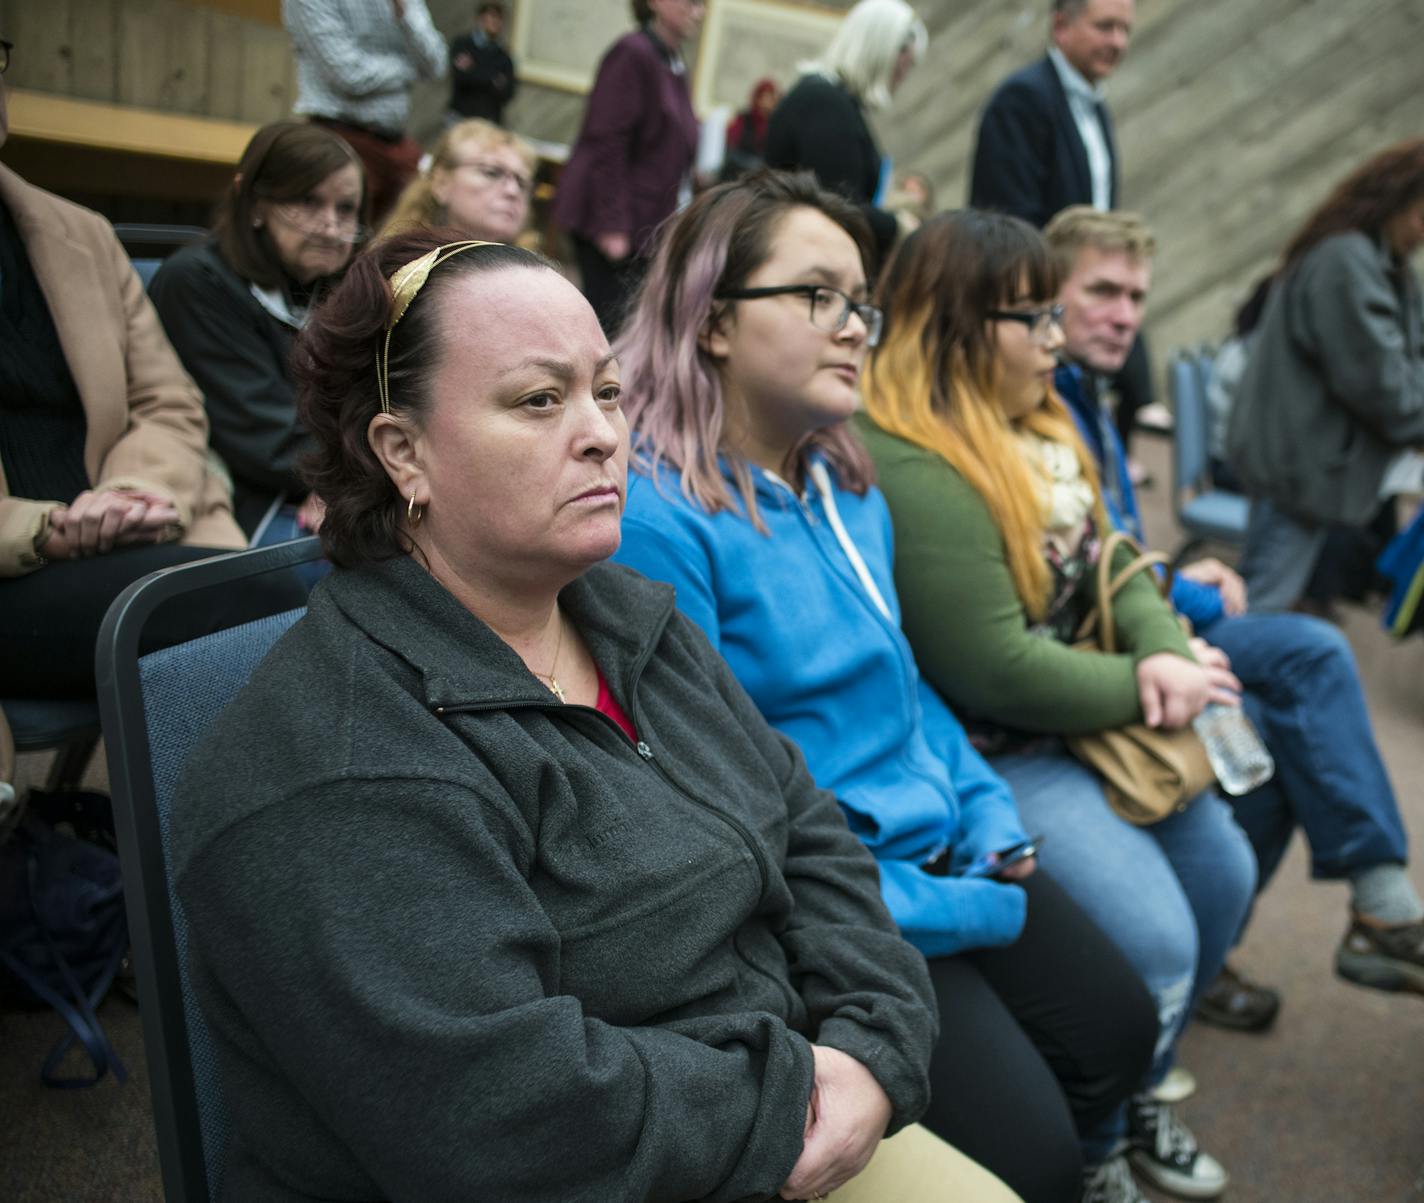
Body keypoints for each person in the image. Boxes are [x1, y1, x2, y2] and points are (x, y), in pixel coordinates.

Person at [170, 227, 1024, 1203]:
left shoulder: (621, 615)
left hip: (757, 1110)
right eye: (539, 399)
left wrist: (872, 1042)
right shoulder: (341, 763)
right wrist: (796, 1091)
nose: (603, 434)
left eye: (606, 392)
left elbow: (807, 830)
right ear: (403, 454)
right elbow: (502, 1120)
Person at [612, 170, 1158, 1203]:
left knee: (1117, 1031)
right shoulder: (656, 521)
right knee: (1029, 1158)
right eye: (815, 295)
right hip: (840, 900)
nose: (855, 324)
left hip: (946, 846)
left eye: (860, 300)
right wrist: (952, 900)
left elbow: (906, 694)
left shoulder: (844, 489)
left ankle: (1101, 1158)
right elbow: (720, 803)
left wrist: (991, 818)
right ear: (712, 320)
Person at [859, 209, 1258, 1202]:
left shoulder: (1035, 419)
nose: (1056, 340)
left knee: (1223, 875)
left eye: (1052, 315)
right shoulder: (914, 460)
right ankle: (1099, 1134)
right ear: (955, 324)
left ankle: (1130, 1088)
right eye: (1030, 318)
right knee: (1158, 938)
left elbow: (1112, 560)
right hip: (1008, 748)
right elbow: (990, 667)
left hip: (1085, 716)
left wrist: (1164, 646)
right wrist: (1144, 680)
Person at [1045, 205, 1424, 1024]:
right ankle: (1351, 915)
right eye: (1103, 292)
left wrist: (1181, 583)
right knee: (1286, 698)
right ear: (1047, 293)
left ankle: (1351, 913)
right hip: (1100, 645)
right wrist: (1168, 613)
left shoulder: (1090, 396)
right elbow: (1068, 579)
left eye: (1137, 297)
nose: (1125, 317)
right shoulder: (1041, 401)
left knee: (1305, 669)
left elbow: (1111, 552)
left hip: (1143, 612)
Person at [0, 56, 271, 702]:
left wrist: (127, 495)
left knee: (302, 602)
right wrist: (44, 528)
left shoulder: (80, 235)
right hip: (18, 567)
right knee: (264, 610)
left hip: (127, 534)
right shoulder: (202, 282)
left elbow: (169, 401)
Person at [1227, 139, 1424, 614]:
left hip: (1309, 472)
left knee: (1271, 599)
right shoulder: (1347, 263)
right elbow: (1385, 386)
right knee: (1260, 609)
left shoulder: (1381, 266)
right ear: (1396, 199)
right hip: (1299, 475)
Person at [149, 122, 366, 538]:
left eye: (346, 209)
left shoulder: (337, 285)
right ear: (253, 204)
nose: (330, 226)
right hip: (231, 498)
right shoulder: (197, 282)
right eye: (307, 201)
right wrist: (359, 480)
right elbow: (266, 439)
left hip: (329, 477)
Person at [968, 0, 1154, 479]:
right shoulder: (1022, 98)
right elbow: (1007, 219)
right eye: (1105, 26)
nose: (1118, 42)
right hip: (1043, 304)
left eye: (1125, 30)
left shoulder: (1097, 107)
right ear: (1061, 26)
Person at [553, 0, 702, 335]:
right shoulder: (632, 53)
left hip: (645, 228)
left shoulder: (673, 60)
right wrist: (611, 225)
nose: (699, 12)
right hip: (615, 229)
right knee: (607, 334)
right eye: (692, 2)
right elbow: (607, 142)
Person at [765, 0, 927, 262]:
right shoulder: (826, 104)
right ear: (883, 52)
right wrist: (897, 225)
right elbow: (835, 205)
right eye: (905, 65)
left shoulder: (831, 101)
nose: (903, 76)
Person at [282, 0, 445, 222]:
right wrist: (411, 68)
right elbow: (349, 74)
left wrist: (405, 15)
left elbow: (436, 64)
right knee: (342, 237)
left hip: (395, 141)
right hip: (339, 135)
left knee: (423, 228)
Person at [380, 118, 533, 245]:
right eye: (491, 172)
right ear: (441, 183)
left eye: (522, 183)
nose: (512, 191)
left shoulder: (536, 274)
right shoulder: (400, 264)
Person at [448, 2, 516, 126]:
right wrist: (493, 78)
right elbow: (462, 77)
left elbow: (508, 92)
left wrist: (474, 69)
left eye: (498, 18)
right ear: (480, 19)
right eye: (491, 17)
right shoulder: (463, 44)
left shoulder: (504, 56)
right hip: (461, 116)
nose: (494, 22)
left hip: (489, 119)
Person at [722, 78, 779, 181]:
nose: (771, 101)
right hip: (739, 176)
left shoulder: (775, 123)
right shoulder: (743, 119)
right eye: (767, 96)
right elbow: (732, 148)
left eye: (773, 97)